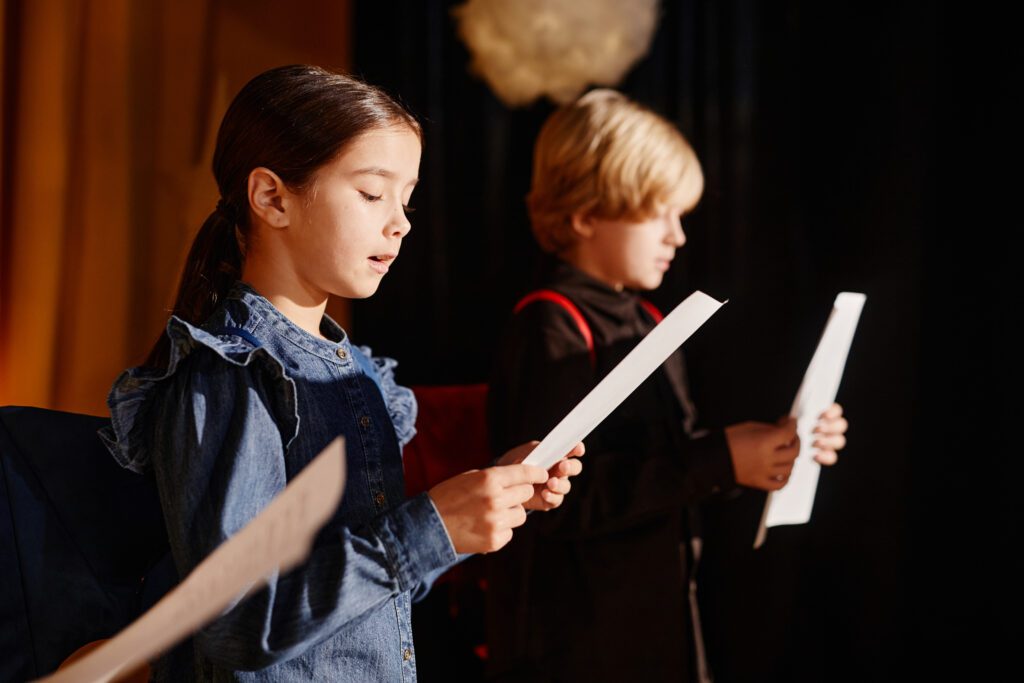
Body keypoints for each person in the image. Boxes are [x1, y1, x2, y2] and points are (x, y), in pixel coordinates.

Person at [100, 65, 583, 682]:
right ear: (273, 197)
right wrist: (426, 531)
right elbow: (236, 621)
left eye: (406, 199)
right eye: (372, 192)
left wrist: (467, 517)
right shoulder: (233, 374)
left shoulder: (356, 371)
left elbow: (361, 601)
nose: (401, 222)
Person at [485, 89, 847, 682]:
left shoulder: (651, 320)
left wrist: (768, 450)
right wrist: (719, 459)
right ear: (585, 213)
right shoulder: (551, 326)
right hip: (581, 645)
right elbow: (558, 502)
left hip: (663, 627)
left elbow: (670, 462)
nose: (677, 236)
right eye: (659, 213)